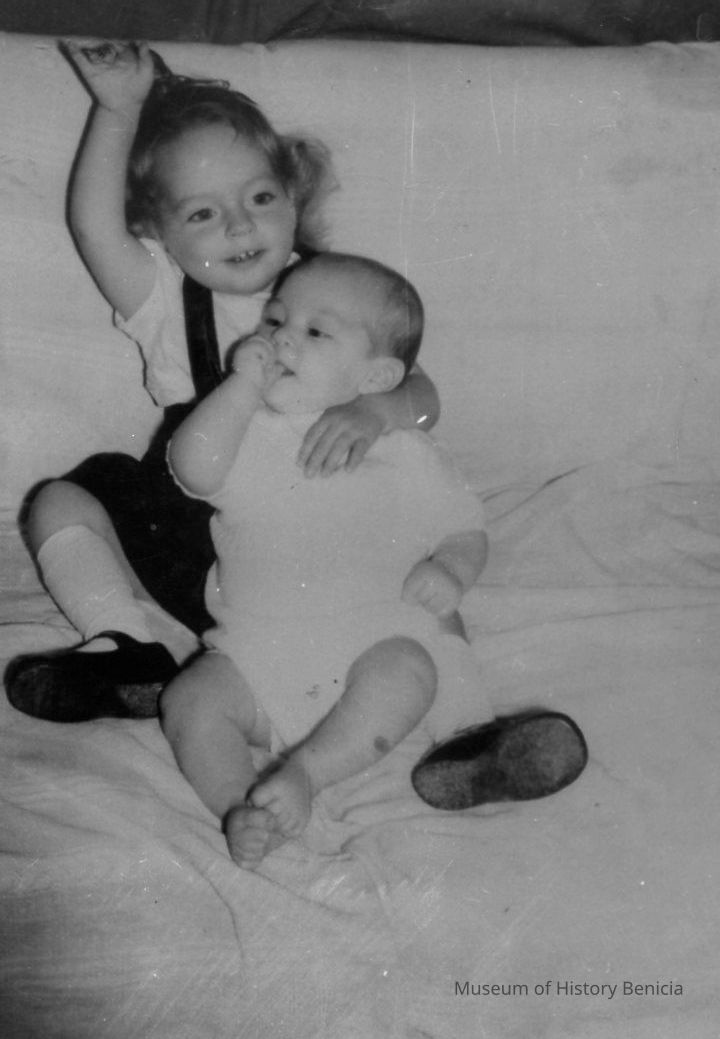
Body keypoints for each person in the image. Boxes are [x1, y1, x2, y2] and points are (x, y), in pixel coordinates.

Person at [3, 40, 439, 723]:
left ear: (293, 197)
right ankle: (126, 646)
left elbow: (423, 395)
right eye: (202, 213)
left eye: (260, 196)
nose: (239, 223)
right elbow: (92, 226)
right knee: (62, 499)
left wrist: (378, 413)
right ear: (157, 232)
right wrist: (118, 110)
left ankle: (440, 702)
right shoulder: (164, 297)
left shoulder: (335, 290)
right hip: (194, 541)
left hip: (313, 540)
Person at [161, 251, 493, 867]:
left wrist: (451, 569)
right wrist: (240, 388)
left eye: (315, 332)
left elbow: (465, 529)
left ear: (377, 377)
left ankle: (307, 774)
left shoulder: (405, 449)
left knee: (409, 668)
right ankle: (245, 807)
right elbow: (193, 466)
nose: (282, 338)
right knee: (190, 702)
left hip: (368, 649)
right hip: (256, 660)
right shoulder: (245, 429)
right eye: (275, 320)